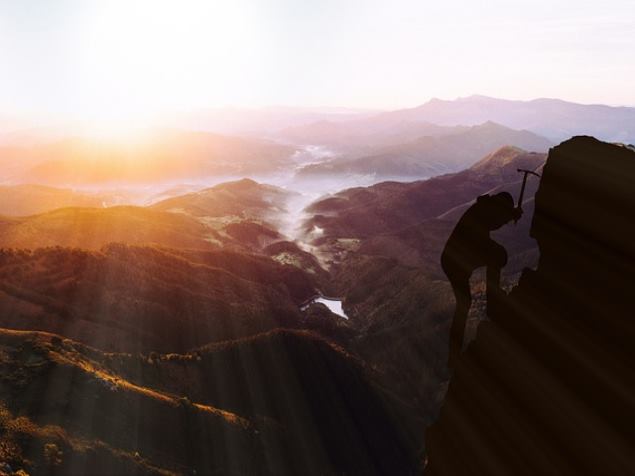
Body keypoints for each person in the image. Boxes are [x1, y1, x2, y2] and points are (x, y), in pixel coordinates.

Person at [441, 192, 521, 369]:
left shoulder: (483, 208)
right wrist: (510, 215)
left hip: (454, 260)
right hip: (456, 262)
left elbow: (492, 222)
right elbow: (492, 223)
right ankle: (493, 302)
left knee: (464, 305)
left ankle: (453, 356)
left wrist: (509, 215)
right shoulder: (483, 213)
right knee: (498, 256)